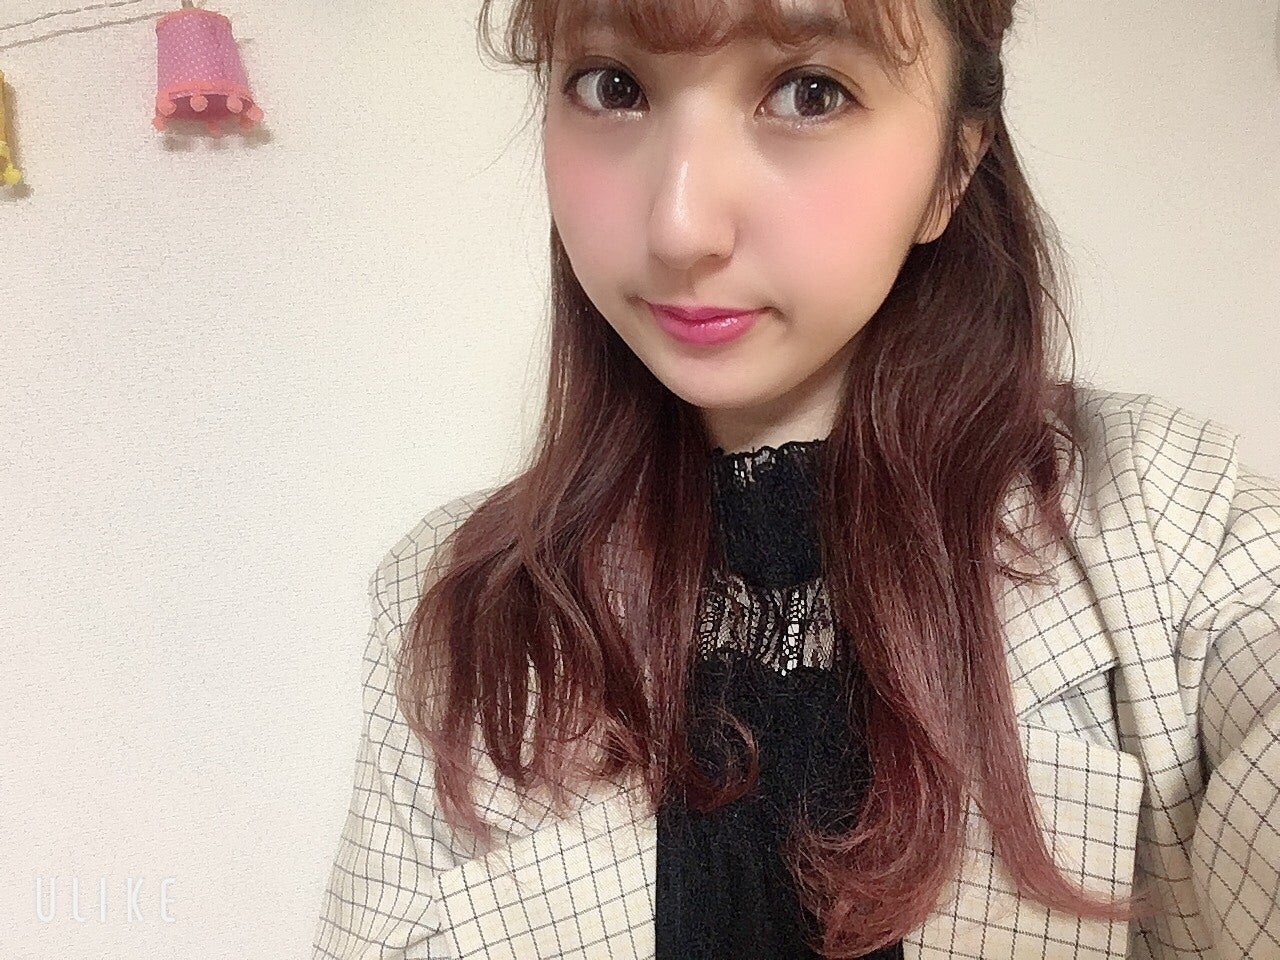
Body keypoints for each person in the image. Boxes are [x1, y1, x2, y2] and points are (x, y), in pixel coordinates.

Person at [311, 0, 1280, 957]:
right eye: (613, 86)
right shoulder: (453, 610)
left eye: (809, 92)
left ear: (952, 165)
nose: (680, 226)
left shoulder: (1176, 539)